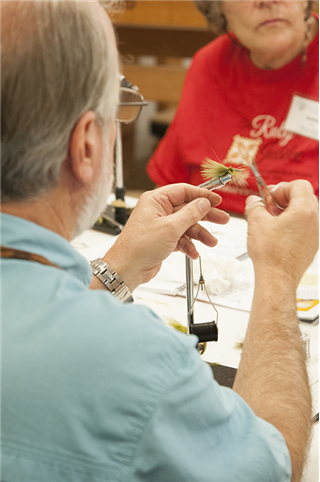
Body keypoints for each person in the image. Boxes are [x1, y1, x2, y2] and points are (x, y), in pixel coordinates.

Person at [0, 1, 319, 481]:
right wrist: (276, 274)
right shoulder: (138, 364)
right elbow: (273, 466)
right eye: (119, 109)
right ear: (88, 144)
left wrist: (115, 269)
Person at [147, 0, 319, 215]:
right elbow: (166, 191)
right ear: (218, 10)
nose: (267, 1)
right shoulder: (209, 64)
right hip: (211, 236)